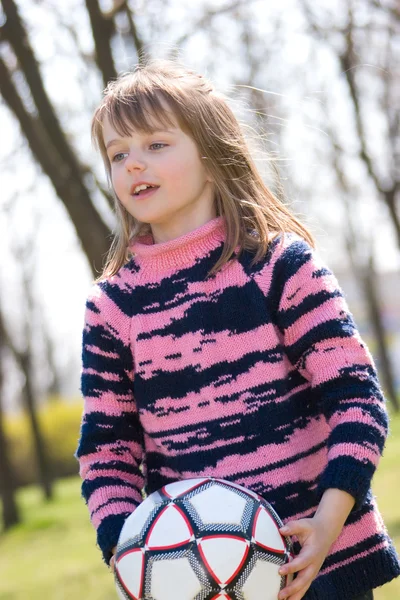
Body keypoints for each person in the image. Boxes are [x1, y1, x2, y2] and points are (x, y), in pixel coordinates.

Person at [75, 56, 400, 600]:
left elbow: (358, 402)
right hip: (197, 585)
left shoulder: (278, 266)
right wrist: (131, 549)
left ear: (211, 153)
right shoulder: (112, 309)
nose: (133, 163)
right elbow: (106, 452)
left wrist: (327, 525)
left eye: (156, 144)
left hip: (319, 569)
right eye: (118, 153)